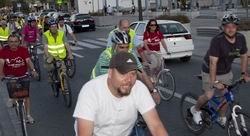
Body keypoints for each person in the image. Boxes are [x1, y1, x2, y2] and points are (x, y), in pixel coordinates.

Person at [74, 51, 169, 136]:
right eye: (123, 73)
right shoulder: (90, 91)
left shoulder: (139, 88)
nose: (129, 80)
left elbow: (156, 126)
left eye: (133, 73)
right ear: (110, 73)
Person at [190, 14, 250, 127]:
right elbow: (213, 62)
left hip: (226, 71)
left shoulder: (241, 38)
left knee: (228, 97)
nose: (230, 29)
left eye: (233, 26)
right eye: (227, 26)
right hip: (209, 70)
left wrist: (244, 73)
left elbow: (244, 56)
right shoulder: (217, 41)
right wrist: (215, 82)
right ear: (223, 27)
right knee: (208, 96)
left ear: (237, 27)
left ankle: (221, 116)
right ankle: (195, 109)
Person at [93, 30, 161, 104]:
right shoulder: (106, 57)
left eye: (127, 47)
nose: (125, 50)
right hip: (99, 85)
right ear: (114, 46)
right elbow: (108, 82)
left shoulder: (130, 54)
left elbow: (141, 73)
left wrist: (153, 91)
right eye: (121, 47)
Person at [0, 34, 38, 123]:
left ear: (19, 42)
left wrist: (33, 70)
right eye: (11, 42)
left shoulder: (23, 50)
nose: (13, 44)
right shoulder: (3, 51)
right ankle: (13, 99)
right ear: (8, 42)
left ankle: (28, 115)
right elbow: (1, 63)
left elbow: (28, 61)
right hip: (10, 75)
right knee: (13, 88)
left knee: (26, 96)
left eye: (15, 42)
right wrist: (1, 74)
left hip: (23, 74)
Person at [43, 18, 73, 83]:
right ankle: (50, 75)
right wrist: (48, 56)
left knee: (63, 71)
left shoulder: (61, 33)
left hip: (61, 56)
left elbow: (66, 44)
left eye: (55, 26)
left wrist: (70, 54)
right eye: (52, 27)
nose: (54, 28)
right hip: (51, 55)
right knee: (50, 67)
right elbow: (45, 47)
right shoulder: (45, 34)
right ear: (49, 28)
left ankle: (65, 90)